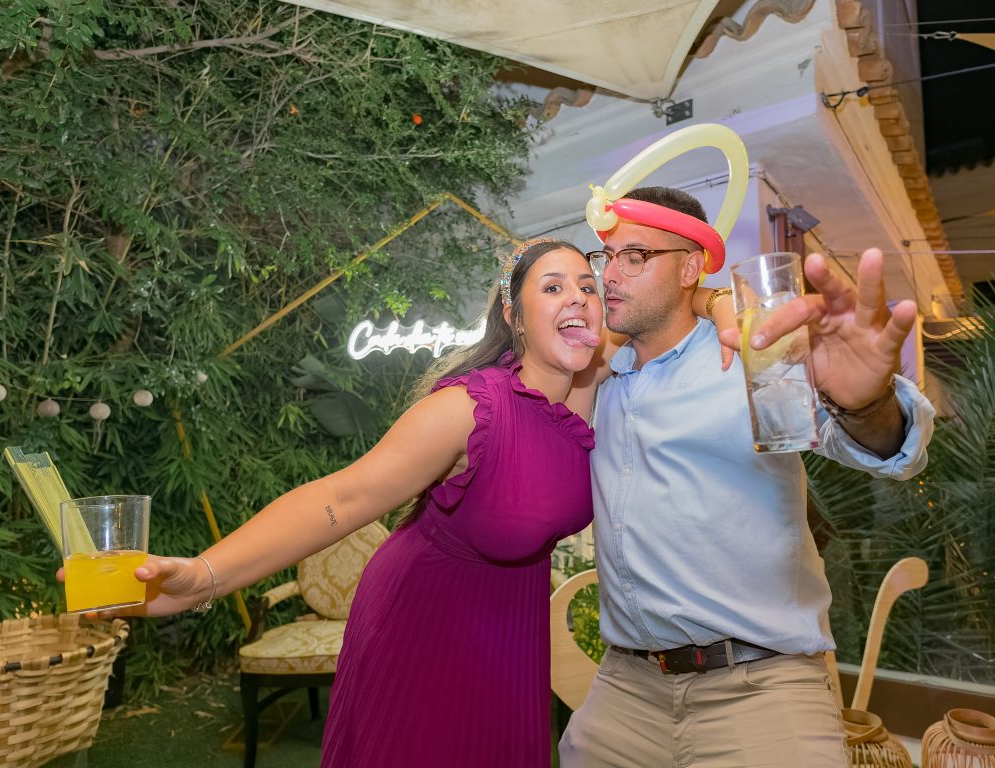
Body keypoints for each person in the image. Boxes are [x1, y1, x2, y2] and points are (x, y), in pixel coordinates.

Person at [87, 237, 727, 767]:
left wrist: (721, 299)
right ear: (513, 314)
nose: (579, 298)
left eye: (587, 286)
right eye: (553, 287)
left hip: (511, 630)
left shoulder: (596, 378)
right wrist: (202, 578)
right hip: (423, 621)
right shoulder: (469, 409)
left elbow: (673, 305)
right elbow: (341, 497)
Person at [559, 186, 936, 768]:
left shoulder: (749, 348)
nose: (611, 275)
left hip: (761, 690)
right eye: (606, 257)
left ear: (690, 268)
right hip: (624, 693)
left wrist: (865, 403)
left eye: (635, 257)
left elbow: (887, 451)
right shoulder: (593, 378)